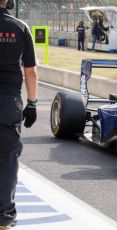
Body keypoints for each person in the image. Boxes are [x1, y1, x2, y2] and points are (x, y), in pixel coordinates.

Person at [0, 0, 38, 229]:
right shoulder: (20, 27)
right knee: (7, 159)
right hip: (7, 105)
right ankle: (4, 217)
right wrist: (32, 103)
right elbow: (31, 71)